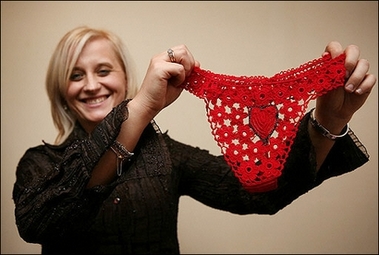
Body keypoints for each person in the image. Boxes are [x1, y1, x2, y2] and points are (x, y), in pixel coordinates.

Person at [12, 26, 376, 254]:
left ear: (125, 77)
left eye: (103, 70)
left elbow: (260, 193)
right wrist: (141, 109)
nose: (91, 84)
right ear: (62, 88)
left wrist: (330, 121)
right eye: (76, 75)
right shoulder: (40, 163)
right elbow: (38, 224)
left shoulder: (167, 157)